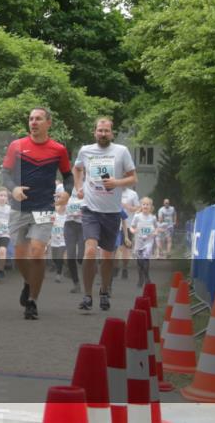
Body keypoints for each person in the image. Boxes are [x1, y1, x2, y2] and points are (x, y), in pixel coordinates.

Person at [0, 107, 73, 320]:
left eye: (38, 119)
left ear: (48, 123)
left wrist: (67, 193)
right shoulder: (17, 145)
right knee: (20, 256)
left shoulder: (58, 149)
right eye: (31, 119)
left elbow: (68, 177)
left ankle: (32, 301)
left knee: (38, 250)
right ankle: (28, 282)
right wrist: (13, 188)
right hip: (19, 208)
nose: (33, 122)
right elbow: (4, 173)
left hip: (44, 208)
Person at [73, 117, 137, 312]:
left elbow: (134, 177)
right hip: (90, 210)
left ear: (112, 133)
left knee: (108, 257)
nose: (103, 134)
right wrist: (78, 187)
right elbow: (77, 169)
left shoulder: (121, 151)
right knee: (90, 251)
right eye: (100, 130)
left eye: (106, 131)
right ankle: (87, 295)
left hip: (112, 212)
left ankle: (104, 291)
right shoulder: (85, 150)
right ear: (95, 132)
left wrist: (116, 183)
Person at [129, 197, 159, 287]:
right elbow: (132, 227)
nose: (145, 206)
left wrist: (155, 232)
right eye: (144, 204)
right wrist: (133, 231)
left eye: (147, 204)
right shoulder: (137, 216)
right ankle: (141, 278)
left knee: (145, 259)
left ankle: (147, 278)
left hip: (148, 241)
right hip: (139, 241)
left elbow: (156, 227)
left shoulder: (153, 217)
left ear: (151, 206)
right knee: (140, 261)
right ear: (141, 206)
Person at [63, 185, 84, 294]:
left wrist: (83, 212)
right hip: (69, 224)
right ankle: (76, 283)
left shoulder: (87, 185)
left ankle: (88, 279)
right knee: (70, 255)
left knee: (81, 256)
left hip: (83, 225)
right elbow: (60, 207)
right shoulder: (65, 187)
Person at [118, 186, 140, 279]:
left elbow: (138, 208)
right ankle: (114, 268)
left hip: (127, 224)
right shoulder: (112, 191)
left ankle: (124, 268)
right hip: (113, 224)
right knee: (116, 247)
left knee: (125, 247)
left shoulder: (132, 194)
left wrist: (128, 207)